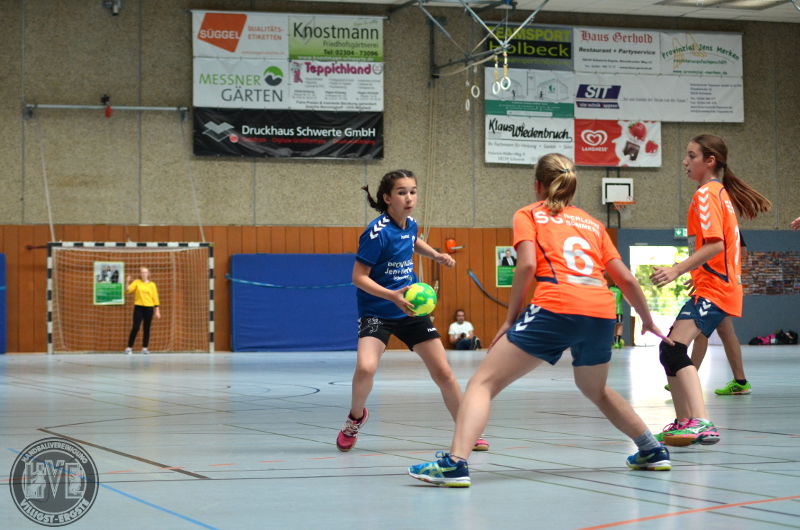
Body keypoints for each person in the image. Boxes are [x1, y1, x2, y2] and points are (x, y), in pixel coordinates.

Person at [408, 153, 671, 487]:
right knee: (595, 388)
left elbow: (528, 265)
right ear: (572, 188)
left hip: (557, 306)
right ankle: (651, 449)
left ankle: (455, 464)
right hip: (601, 312)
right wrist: (646, 319)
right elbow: (627, 280)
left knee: (482, 383)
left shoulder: (529, 214)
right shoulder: (593, 224)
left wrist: (510, 318)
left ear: (537, 185)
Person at [337, 169, 489, 453]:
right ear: (387, 198)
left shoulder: (411, 224)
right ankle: (355, 418)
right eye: (402, 192)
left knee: (444, 372)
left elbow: (412, 240)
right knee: (366, 367)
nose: (409, 197)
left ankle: (466, 429)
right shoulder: (376, 233)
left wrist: (435, 255)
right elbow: (358, 277)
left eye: (413, 191)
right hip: (378, 311)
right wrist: (392, 296)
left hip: (411, 310)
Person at [650, 134, 770, 446]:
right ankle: (683, 422)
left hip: (716, 289)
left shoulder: (706, 194)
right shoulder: (719, 193)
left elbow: (716, 244)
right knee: (669, 348)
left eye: (691, 156)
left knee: (674, 349)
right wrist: (699, 273)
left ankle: (701, 422)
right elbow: (722, 247)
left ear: (710, 160)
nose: (685, 162)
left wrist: (677, 269)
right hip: (713, 285)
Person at [125, 267, 161, 354]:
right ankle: (129, 348)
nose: (144, 274)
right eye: (142, 272)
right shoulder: (137, 282)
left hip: (149, 308)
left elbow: (155, 298)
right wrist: (127, 282)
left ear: (148, 273)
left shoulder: (152, 285)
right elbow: (128, 290)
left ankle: (145, 348)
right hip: (139, 308)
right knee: (135, 327)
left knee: (147, 328)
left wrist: (157, 311)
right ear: (140, 274)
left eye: (145, 272)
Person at [607, 277, 625, 349]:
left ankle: (615, 342)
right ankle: (616, 342)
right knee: (619, 325)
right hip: (618, 310)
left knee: (614, 325)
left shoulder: (609, 289)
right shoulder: (620, 290)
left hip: (611, 310)